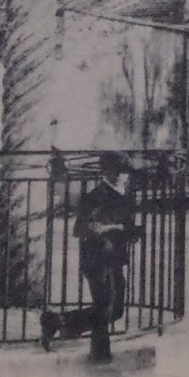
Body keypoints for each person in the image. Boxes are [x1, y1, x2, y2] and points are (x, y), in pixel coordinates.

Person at [70, 152, 141, 364]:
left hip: (116, 258)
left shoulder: (125, 198)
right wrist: (100, 229)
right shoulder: (94, 197)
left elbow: (128, 228)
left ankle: (60, 322)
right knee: (103, 306)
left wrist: (127, 230)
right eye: (116, 171)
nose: (120, 176)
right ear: (105, 172)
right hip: (96, 258)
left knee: (116, 309)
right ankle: (100, 355)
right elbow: (79, 229)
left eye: (124, 172)